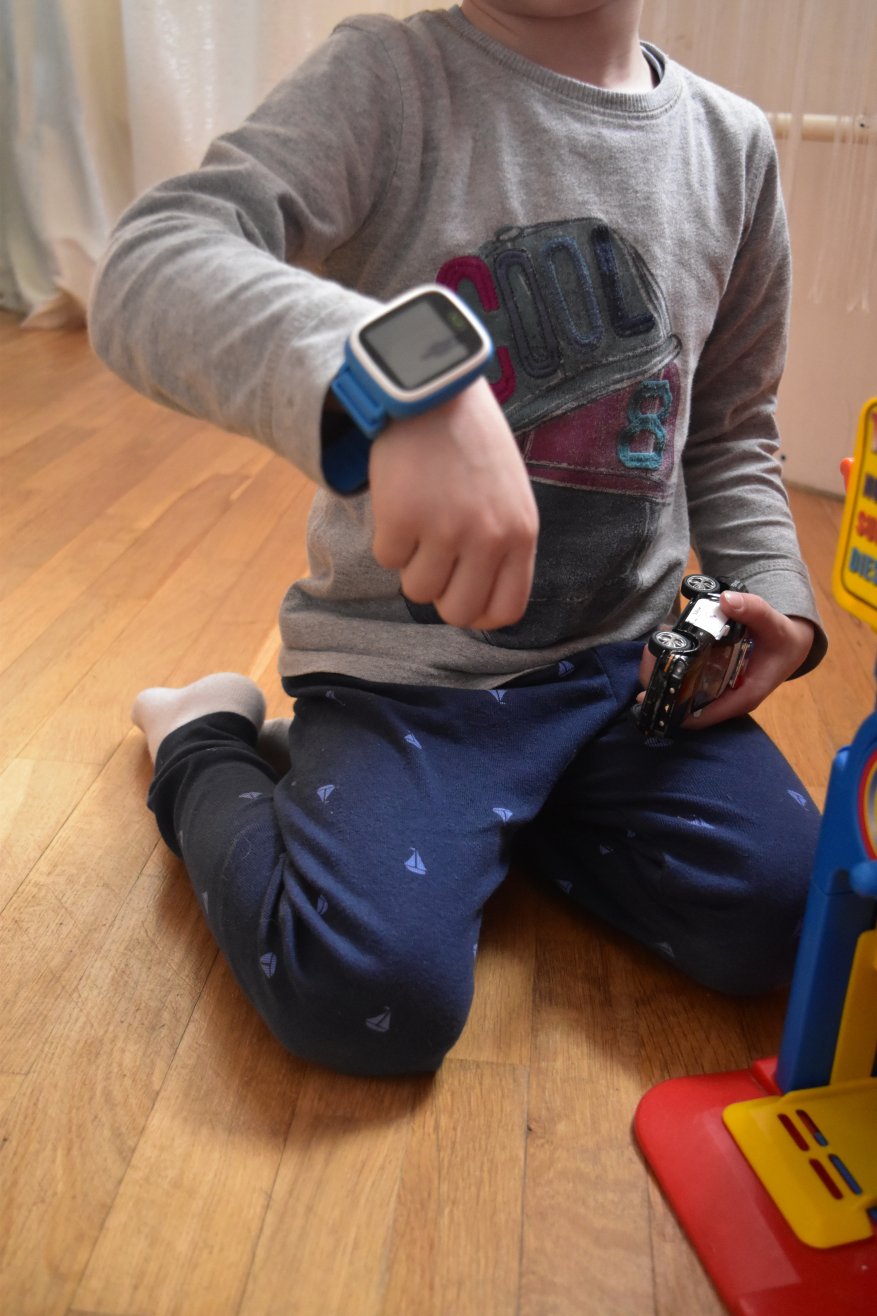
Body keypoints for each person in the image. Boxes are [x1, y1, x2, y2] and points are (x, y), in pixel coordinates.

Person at [89, 0, 827, 1077]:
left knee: (787, 915)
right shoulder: (387, 81)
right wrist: (392, 381)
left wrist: (780, 597)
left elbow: (728, 429)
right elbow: (149, 265)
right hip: (407, 681)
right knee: (360, 989)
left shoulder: (733, 145)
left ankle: (484, 823)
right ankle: (201, 734)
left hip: (620, 678)